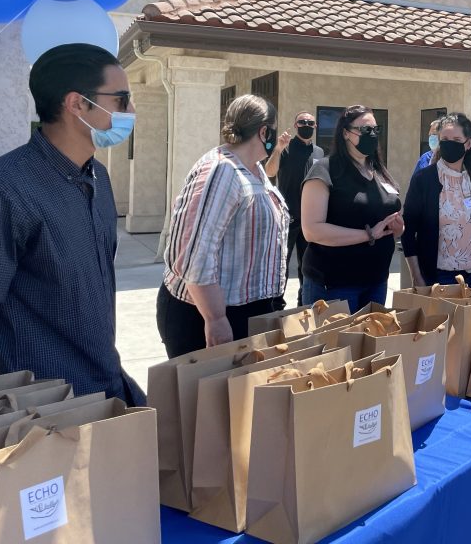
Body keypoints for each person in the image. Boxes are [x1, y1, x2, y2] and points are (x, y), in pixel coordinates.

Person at [0, 43, 143, 404]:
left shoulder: (97, 176)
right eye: (122, 99)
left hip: (107, 387)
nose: (131, 111)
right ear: (77, 104)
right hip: (43, 412)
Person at [159, 95, 290, 357]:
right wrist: (216, 318)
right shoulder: (222, 170)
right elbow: (196, 253)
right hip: (208, 318)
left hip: (245, 311)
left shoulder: (254, 169)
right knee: (207, 398)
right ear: (264, 130)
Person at [300, 105, 404, 311]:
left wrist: (397, 230)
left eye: (376, 129)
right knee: (335, 344)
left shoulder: (379, 172)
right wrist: (368, 235)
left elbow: (383, 223)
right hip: (334, 286)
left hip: (376, 282)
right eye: (365, 130)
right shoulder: (325, 170)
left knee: (369, 343)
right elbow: (312, 230)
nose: (372, 135)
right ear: (346, 133)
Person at [402, 113, 471, 289]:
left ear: (468, 143)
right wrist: (416, 277)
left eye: (456, 139)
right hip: (439, 278)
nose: (449, 143)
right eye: (445, 139)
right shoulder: (424, 179)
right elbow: (408, 232)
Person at [266, 111, 324, 306]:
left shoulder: (319, 153)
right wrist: (278, 149)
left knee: (307, 265)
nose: (306, 125)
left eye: (310, 122)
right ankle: (276, 304)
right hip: (287, 217)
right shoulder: (286, 148)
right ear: (295, 125)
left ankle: (304, 304)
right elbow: (270, 171)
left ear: (315, 127)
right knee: (281, 264)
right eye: (302, 122)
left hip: (310, 219)